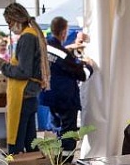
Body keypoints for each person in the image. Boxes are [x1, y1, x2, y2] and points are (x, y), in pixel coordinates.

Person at [0, 2, 50, 154]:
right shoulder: (33, 34)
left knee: (16, 146)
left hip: (23, 97)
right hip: (30, 96)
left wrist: (1, 64)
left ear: (17, 18)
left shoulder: (27, 38)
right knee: (31, 144)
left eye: (9, 22)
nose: (8, 27)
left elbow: (23, 72)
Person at [39, 16, 93, 152]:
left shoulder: (45, 47)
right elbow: (81, 75)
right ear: (64, 32)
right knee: (68, 137)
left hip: (50, 97)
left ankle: (56, 164)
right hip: (66, 99)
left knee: (57, 131)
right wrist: (89, 66)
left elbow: (59, 60)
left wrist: (71, 50)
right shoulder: (63, 54)